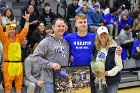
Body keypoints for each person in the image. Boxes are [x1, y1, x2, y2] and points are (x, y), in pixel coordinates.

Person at [32, 18, 70, 93]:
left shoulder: (66, 43)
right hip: (49, 81)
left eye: (63, 26)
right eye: (59, 26)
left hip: (62, 80)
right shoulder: (46, 42)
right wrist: (51, 65)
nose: (61, 28)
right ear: (53, 27)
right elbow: (35, 57)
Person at [0, 12, 30, 93]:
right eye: (10, 29)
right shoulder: (4, 40)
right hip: (8, 65)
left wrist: (27, 20)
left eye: (13, 29)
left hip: (19, 66)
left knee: (19, 85)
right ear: (7, 30)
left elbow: (25, 30)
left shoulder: (19, 39)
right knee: (8, 86)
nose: (12, 31)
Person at [91, 26, 123, 93]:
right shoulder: (95, 49)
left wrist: (107, 73)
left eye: (105, 34)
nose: (103, 36)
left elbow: (120, 66)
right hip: (99, 81)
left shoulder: (115, 49)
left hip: (112, 81)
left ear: (108, 35)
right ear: (98, 36)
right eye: (101, 34)